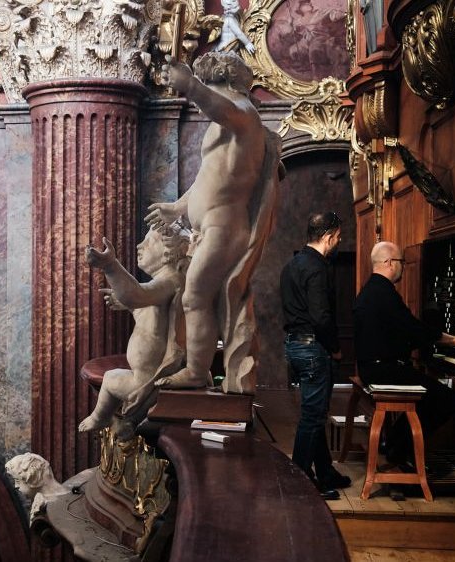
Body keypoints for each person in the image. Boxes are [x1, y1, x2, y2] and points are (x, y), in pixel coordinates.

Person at [145, 52, 284, 394]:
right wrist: (178, 208)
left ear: (226, 81)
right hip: (209, 227)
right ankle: (194, 368)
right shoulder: (225, 122)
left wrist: (191, 86)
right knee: (192, 297)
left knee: (194, 295)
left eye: (210, 86)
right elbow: (209, 176)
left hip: (225, 226)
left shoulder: (244, 114)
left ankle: (196, 372)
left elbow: (221, 108)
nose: (206, 94)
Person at [354, 241, 455, 467]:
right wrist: (452, 340)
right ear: (390, 263)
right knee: (448, 398)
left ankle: (394, 443)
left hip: (371, 368)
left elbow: (397, 331)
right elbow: (413, 328)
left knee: (430, 394)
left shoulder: (369, 291)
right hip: (384, 370)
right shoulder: (384, 293)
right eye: (402, 262)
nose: (403, 267)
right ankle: (398, 447)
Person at [77, 225, 191, 435]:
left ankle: (99, 417)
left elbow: (136, 294)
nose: (140, 246)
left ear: (169, 252)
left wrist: (110, 266)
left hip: (147, 379)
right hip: (144, 374)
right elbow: (148, 317)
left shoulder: (170, 281)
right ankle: (118, 423)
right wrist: (128, 305)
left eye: (149, 241)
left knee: (111, 378)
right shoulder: (163, 284)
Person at [280, 212, 351, 497]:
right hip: (312, 347)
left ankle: (325, 473)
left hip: (294, 345)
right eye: (338, 236)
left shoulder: (292, 265)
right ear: (328, 236)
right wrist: (334, 348)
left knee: (315, 412)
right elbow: (321, 317)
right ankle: (298, 482)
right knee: (312, 416)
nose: (340, 240)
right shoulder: (318, 268)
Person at [4, 452, 70, 521]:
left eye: (17, 481)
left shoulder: (57, 506)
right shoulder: (40, 500)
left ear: (34, 478)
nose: (16, 486)